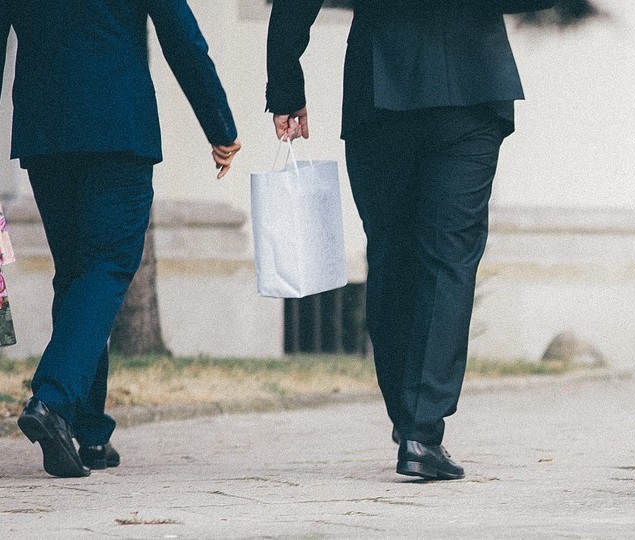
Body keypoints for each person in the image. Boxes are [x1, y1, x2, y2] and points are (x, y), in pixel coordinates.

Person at [265, 0, 552, 480]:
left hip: (383, 85)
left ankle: (410, 417)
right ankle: (421, 428)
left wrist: (286, 84)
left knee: (392, 253)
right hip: (469, 85)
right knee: (449, 257)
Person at [0, 0, 241, 478]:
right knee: (108, 266)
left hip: (45, 129)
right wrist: (220, 125)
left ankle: (88, 433)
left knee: (76, 275)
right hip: (117, 126)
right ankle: (51, 400)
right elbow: (182, 37)